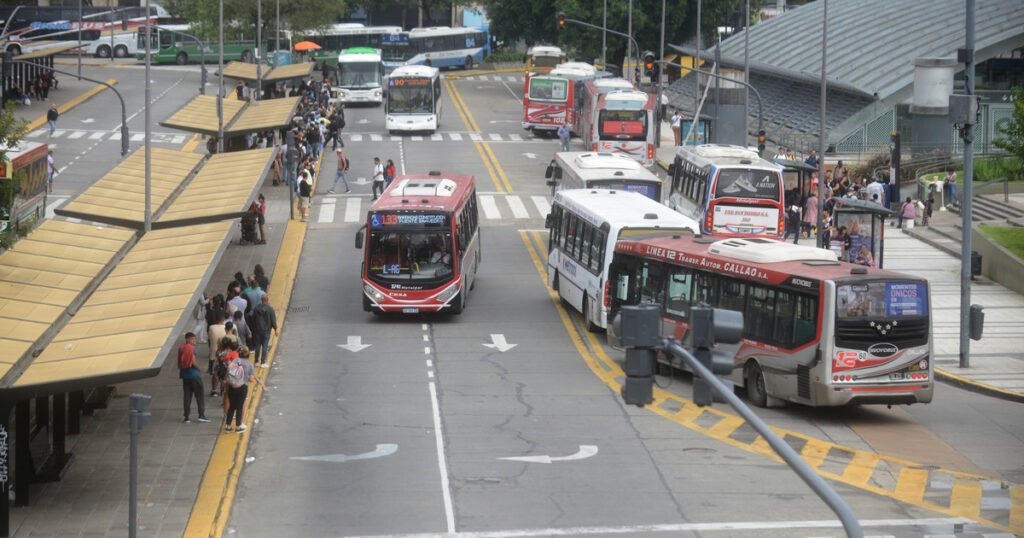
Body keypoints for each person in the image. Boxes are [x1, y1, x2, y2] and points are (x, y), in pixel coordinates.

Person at [224, 347, 265, 433]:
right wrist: (260, 383)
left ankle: (228, 426)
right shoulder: (249, 364)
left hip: (232, 386)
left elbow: (229, 370)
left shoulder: (235, 361)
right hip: (242, 387)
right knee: (239, 406)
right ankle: (238, 426)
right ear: (248, 355)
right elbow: (251, 378)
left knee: (232, 406)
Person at [178, 333, 209, 423]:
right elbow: (193, 361)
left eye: (195, 339)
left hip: (185, 375)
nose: (194, 341)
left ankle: (187, 416)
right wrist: (199, 369)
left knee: (187, 395)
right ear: (187, 339)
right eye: (192, 339)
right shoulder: (190, 348)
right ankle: (201, 415)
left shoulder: (181, 347)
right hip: (194, 375)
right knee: (199, 395)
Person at [251, 294, 278, 368]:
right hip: (266, 331)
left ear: (261, 300)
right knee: (265, 346)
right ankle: (263, 362)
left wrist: (254, 328)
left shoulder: (256, 309)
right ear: (267, 300)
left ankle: (256, 361)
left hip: (257, 330)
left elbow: (253, 319)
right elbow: (273, 320)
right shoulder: (270, 309)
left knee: (257, 345)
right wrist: (275, 329)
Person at [206, 311, 227, 396]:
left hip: (213, 354)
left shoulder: (211, 327)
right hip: (225, 354)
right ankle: (224, 388)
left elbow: (209, 338)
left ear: (216, 319)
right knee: (225, 372)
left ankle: (214, 390)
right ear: (223, 319)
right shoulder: (227, 327)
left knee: (215, 373)